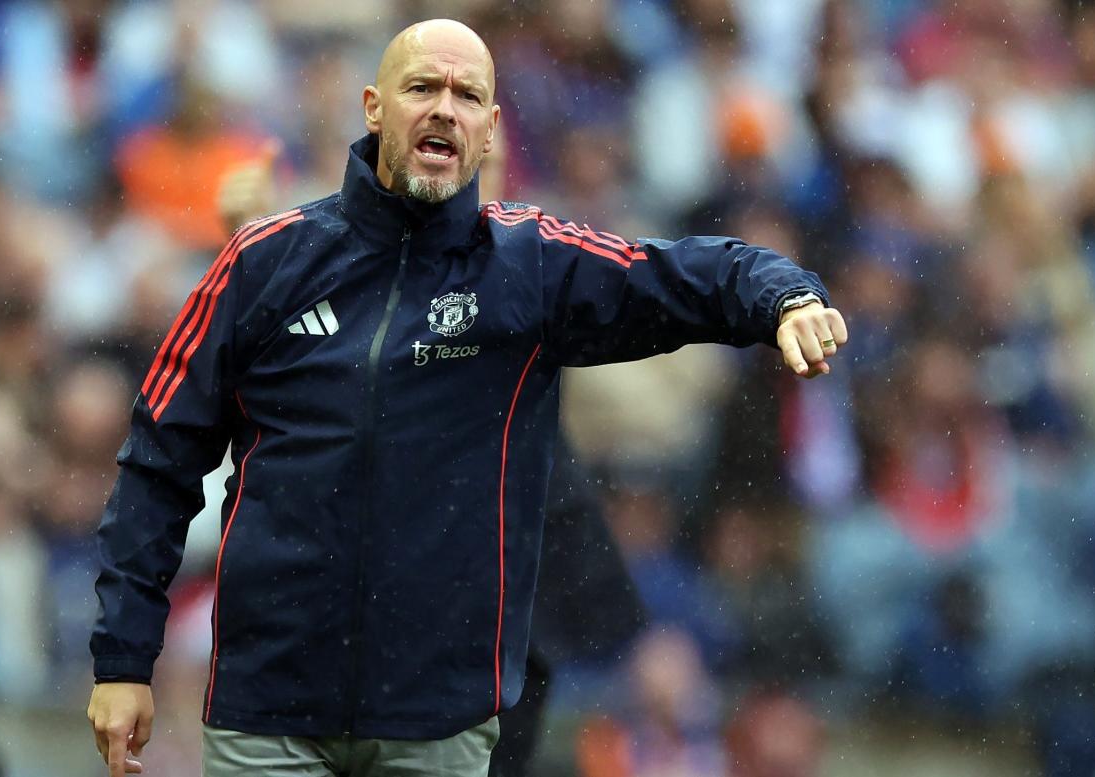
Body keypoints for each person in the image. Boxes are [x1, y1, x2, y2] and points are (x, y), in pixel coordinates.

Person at [86, 18, 848, 777]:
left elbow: (677, 274)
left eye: (467, 95)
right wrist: (122, 660)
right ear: (374, 107)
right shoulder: (262, 261)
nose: (443, 108)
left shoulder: (529, 267)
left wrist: (785, 297)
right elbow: (159, 459)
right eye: (421, 87)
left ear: (489, 132)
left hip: (437, 724)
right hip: (267, 715)